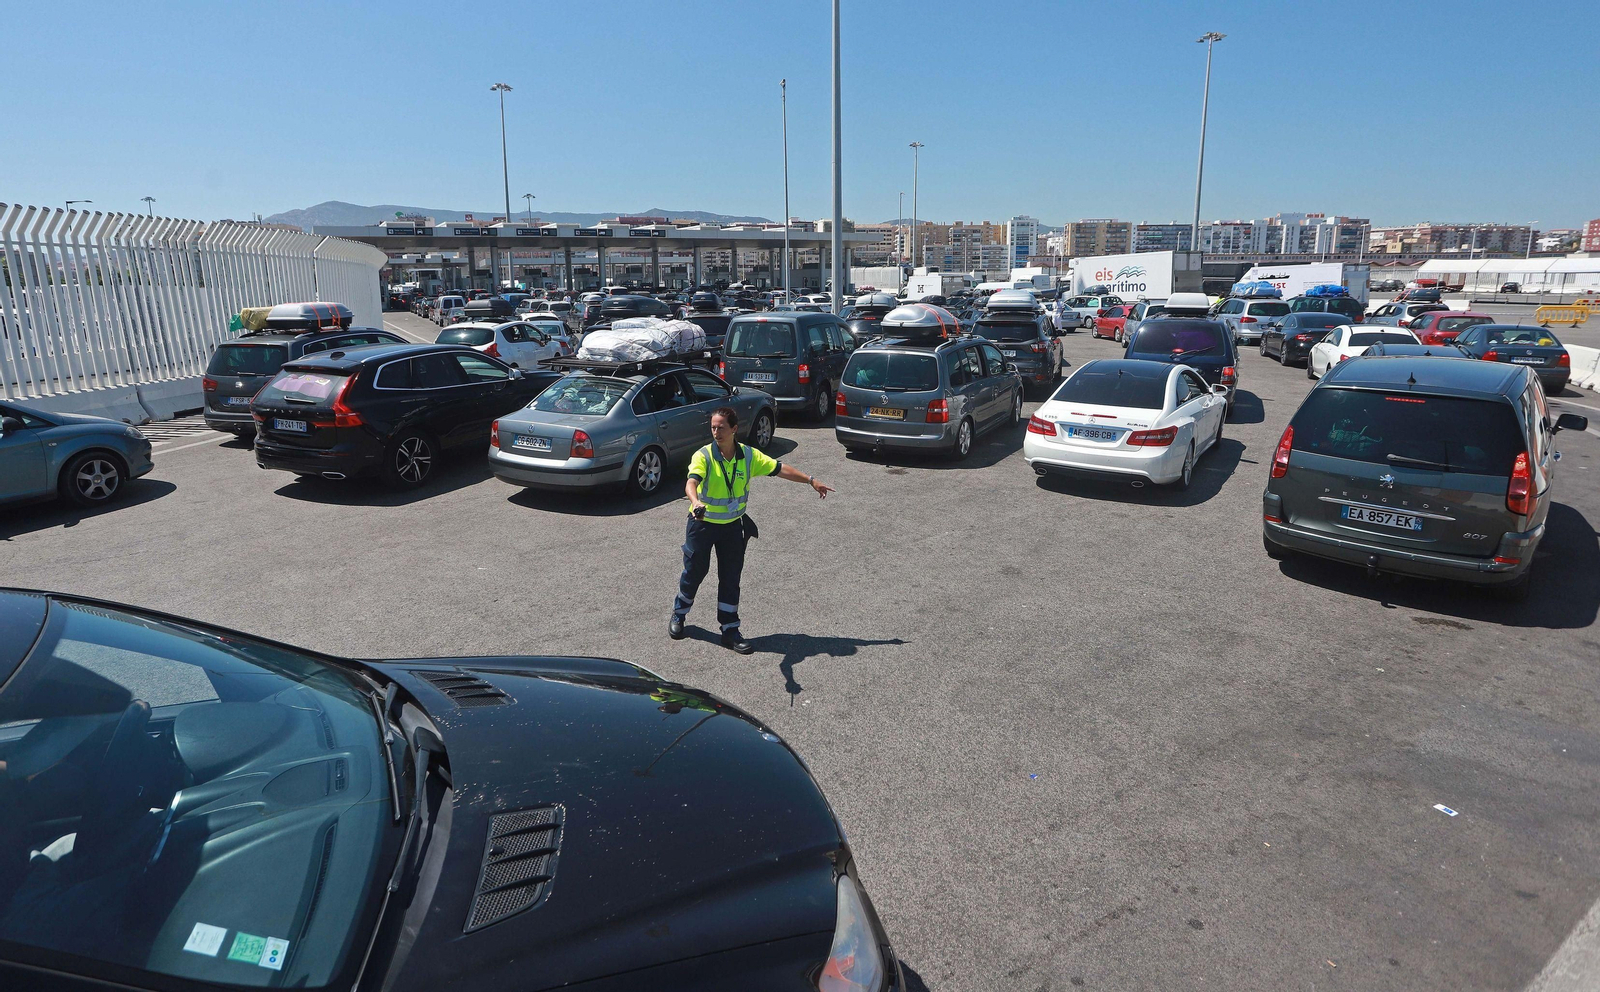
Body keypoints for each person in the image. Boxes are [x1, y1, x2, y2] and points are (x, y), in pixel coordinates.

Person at [671, 406, 833, 653]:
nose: (716, 432)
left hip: (733, 527)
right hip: (702, 525)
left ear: (734, 429)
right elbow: (691, 482)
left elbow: (780, 469)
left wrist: (811, 480)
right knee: (695, 571)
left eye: (721, 428)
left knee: (731, 577)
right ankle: (679, 615)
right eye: (713, 428)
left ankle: (730, 630)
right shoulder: (703, 456)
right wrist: (695, 502)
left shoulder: (748, 456)